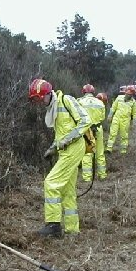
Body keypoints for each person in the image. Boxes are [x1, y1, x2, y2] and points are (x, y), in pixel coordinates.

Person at [29, 78, 91, 237]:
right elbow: (62, 134)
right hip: (66, 150)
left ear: (48, 93)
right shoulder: (53, 107)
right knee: (68, 191)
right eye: (36, 100)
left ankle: (53, 225)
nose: (39, 102)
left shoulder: (66, 100)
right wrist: (53, 148)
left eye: (39, 98)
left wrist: (65, 140)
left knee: (51, 183)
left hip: (74, 148)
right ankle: (72, 229)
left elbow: (85, 121)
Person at [77, 84, 108, 181]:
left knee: (87, 153)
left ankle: (87, 178)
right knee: (100, 152)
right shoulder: (100, 102)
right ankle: (102, 175)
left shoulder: (79, 101)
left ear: (83, 92)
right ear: (93, 92)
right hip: (98, 128)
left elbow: (77, 116)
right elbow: (103, 117)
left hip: (87, 130)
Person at [106, 86, 136, 154]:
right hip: (116, 118)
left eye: (130, 94)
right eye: (127, 93)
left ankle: (123, 150)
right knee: (112, 133)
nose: (128, 95)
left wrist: (134, 124)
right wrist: (110, 116)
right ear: (125, 93)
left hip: (125, 120)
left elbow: (135, 114)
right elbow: (113, 108)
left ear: (132, 95)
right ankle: (109, 148)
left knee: (124, 135)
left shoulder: (133, 102)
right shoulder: (119, 98)